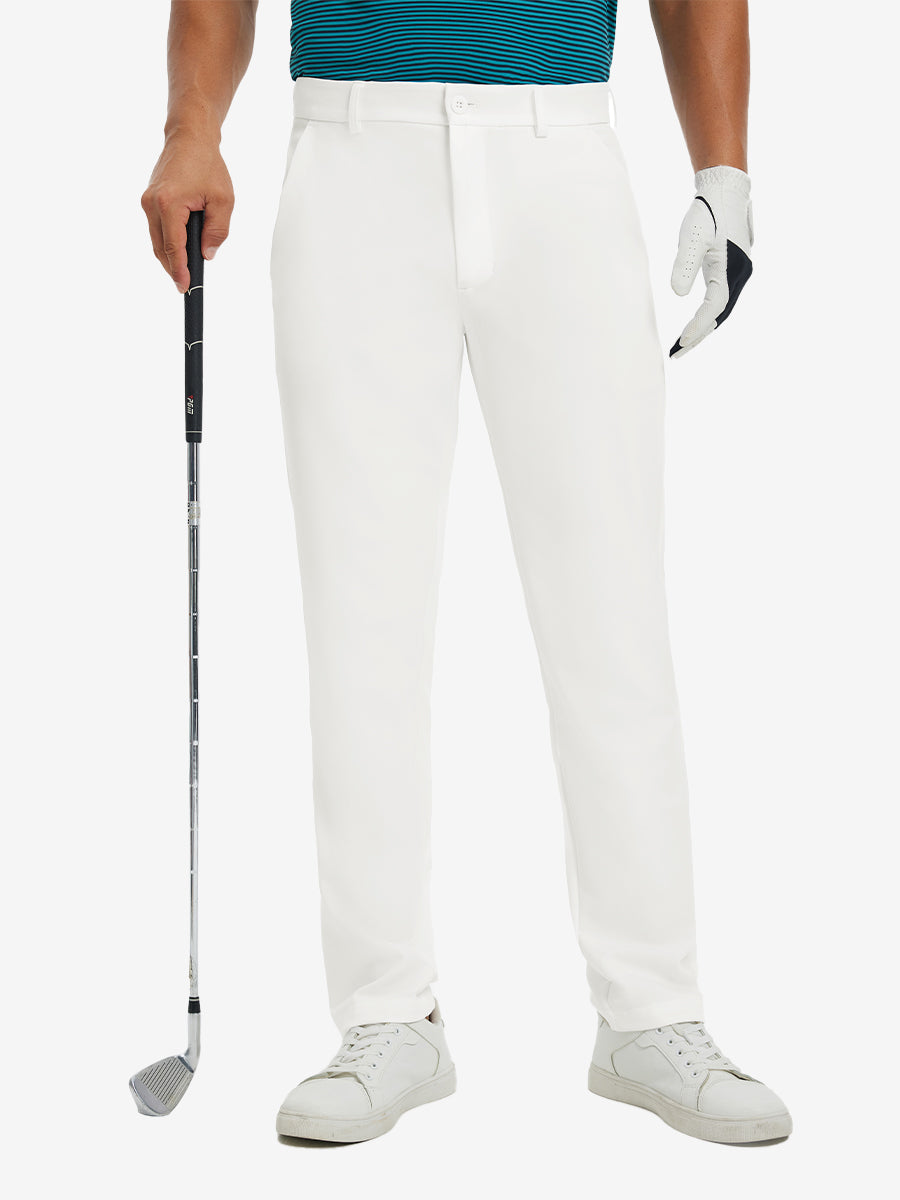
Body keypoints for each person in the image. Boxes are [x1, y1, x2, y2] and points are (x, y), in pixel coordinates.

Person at [141, 0, 790, 1146]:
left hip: (562, 157)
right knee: (361, 623)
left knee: (611, 617)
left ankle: (651, 1014)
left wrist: (723, 170)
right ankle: (387, 1014)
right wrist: (192, 128)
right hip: (351, 160)